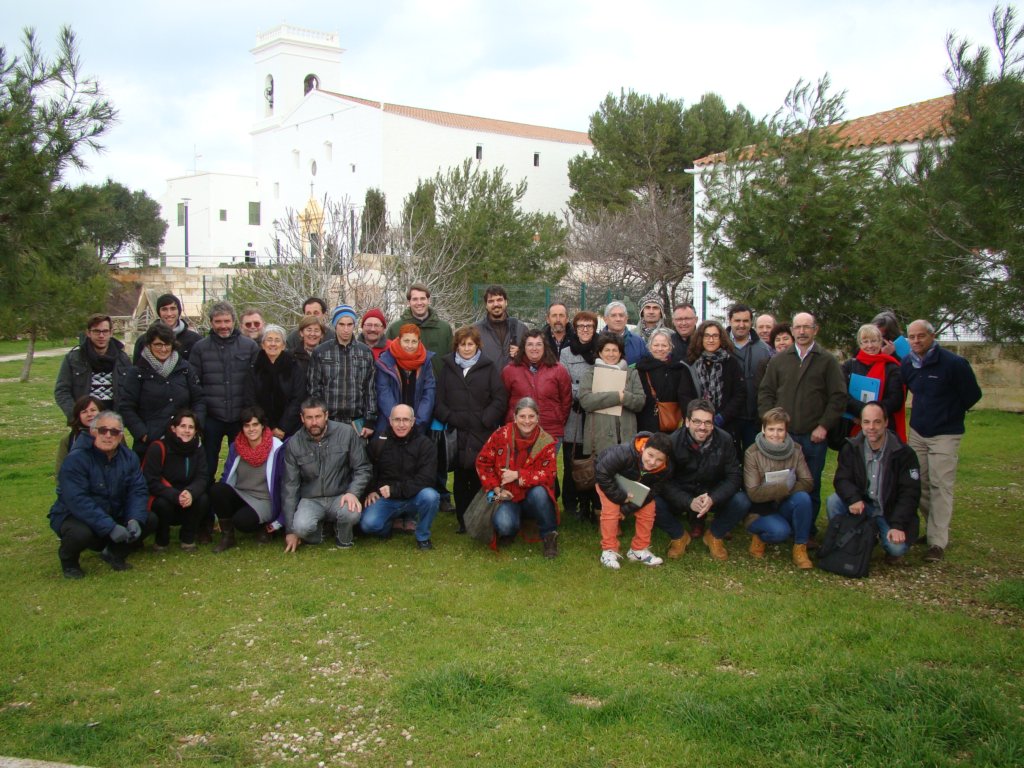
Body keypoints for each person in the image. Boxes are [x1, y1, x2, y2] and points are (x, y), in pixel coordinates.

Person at [902, 319, 982, 562]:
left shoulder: (954, 364)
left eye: (921, 336)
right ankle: (934, 527)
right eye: (912, 337)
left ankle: (937, 542)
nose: (916, 341)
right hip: (918, 430)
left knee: (940, 485)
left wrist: (948, 413)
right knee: (919, 483)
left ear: (931, 336)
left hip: (945, 432)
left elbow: (972, 395)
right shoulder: (909, 363)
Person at [758, 312, 845, 531]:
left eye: (807, 327)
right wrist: (771, 426)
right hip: (782, 437)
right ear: (792, 330)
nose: (802, 331)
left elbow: (838, 397)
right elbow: (766, 393)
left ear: (815, 330)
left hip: (812, 435)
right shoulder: (779, 360)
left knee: (810, 484)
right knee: (778, 483)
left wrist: (824, 425)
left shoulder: (826, 360)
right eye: (798, 327)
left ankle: (808, 530)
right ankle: (781, 524)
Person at [49, 411, 156, 578]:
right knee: (80, 534)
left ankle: (114, 553)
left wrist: (134, 518)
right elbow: (77, 500)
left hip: (113, 512)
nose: (108, 435)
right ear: (93, 432)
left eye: (114, 432)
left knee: (148, 519)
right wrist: (109, 526)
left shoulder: (129, 457)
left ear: (121, 436)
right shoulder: (76, 459)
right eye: (103, 430)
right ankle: (69, 562)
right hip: (75, 515)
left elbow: (138, 490)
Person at [654, 399, 750, 561]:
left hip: (712, 492)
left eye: (707, 422)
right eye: (697, 421)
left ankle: (714, 534)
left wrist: (713, 498)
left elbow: (734, 476)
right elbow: (664, 481)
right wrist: (688, 501)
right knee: (651, 501)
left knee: (742, 501)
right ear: (687, 422)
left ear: (713, 424)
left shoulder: (725, 440)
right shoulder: (672, 442)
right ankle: (679, 535)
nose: (702, 427)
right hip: (682, 493)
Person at [826, 402, 921, 565]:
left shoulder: (904, 454)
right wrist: (853, 498)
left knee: (896, 548)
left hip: (889, 511)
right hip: (863, 506)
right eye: (866, 422)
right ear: (860, 423)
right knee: (833, 501)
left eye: (877, 422)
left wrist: (897, 525)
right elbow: (842, 478)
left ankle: (882, 537)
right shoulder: (851, 447)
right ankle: (852, 539)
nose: (871, 427)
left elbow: (910, 493)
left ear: (886, 422)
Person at [434, 325, 508, 533]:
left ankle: (480, 519)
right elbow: (439, 402)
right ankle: (462, 521)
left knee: (480, 477)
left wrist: (486, 419)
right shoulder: (448, 368)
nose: (466, 348)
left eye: (470, 344)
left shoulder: (489, 367)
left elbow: (499, 398)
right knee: (460, 479)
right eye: (462, 344)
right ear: (456, 346)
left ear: (477, 345)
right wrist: (452, 418)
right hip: (457, 433)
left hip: (481, 432)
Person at [281, 398, 373, 551]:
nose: (314, 422)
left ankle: (344, 538)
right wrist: (290, 531)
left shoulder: (346, 433)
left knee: (351, 513)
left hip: (340, 495)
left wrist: (352, 493)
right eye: (309, 418)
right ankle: (319, 533)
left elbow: (363, 468)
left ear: (326, 415)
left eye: (318, 417)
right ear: (302, 418)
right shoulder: (294, 443)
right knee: (301, 527)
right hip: (310, 499)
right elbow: (290, 487)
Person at [476, 397, 560, 557]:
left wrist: (518, 475)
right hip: (505, 495)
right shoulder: (500, 435)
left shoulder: (546, 442)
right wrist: (496, 489)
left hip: (531, 497)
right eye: (522, 416)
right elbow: (483, 462)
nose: (527, 421)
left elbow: (549, 475)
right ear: (514, 417)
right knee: (505, 524)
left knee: (541, 493)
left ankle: (549, 535)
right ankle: (510, 529)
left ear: (538, 418)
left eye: (531, 416)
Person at [189, 301, 258, 483]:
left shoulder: (249, 346)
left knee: (240, 466)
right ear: (211, 322)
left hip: (239, 417)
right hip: (212, 418)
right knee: (208, 465)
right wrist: (200, 418)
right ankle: (206, 505)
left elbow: (255, 383)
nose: (223, 326)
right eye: (218, 321)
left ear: (234, 321)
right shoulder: (200, 348)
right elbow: (195, 385)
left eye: (226, 321)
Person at [742, 407, 815, 569]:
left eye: (780, 430)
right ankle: (759, 536)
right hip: (759, 510)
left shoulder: (796, 450)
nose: (775, 434)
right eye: (771, 429)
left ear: (786, 430)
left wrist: (783, 491)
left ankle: (800, 547)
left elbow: (808, 481)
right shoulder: (752, 453)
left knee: (803, 498)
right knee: (780, 532)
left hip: (785, 503)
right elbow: (754, 492)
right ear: (763, 429)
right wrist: (784, 487)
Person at [360, 405, 441, 550]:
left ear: (413, 421)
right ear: (390, 421)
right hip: (386, 499)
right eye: (397, 420)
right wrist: (371, 490)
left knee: (431, 496)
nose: (401, 424)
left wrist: (395, 490)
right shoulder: (379, 442)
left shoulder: (425, 445)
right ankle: (392, 524)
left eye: (405, 420)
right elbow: (367, 468)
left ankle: (422, 536)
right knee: (368, 525)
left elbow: (426, 479)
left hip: (413, 497)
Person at [121, 322, 206, 457]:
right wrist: (142, 434)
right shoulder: (136, 373)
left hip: (183, 440)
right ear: (149, 345)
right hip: (150, 443)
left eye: (167, 344)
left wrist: (195, 426)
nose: (163, 349)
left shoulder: (185, 368)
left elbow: (199, 399)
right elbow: (126, 406)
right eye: (158, 344)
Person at [209, 405, 286, 552]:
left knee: (242, 522)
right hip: (242, 494)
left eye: (255, 424)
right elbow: (226, 475)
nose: (251, 429)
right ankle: (228, 537)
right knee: (217, 489)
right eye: (247, 425)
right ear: (242, 428)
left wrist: (280, 520)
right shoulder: (235, 447)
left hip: (265, 499)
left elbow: (286, 483)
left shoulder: (277, 448)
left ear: (263, 425)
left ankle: (264, 528)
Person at [594, 431, 674, 569]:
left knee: (649, 508)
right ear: (643, 448)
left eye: (659, 460)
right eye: (650, 455)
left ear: (666, 459)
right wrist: (620, 497)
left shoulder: (666, 470)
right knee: (611, 510)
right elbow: (602, 472)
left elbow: (651, 493)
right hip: (608, 481)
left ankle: (638, 549)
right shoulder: (623, 452)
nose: (653, 462)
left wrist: (626, 509)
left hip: (634, 487)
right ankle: (608, 551)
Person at [143, 409, 209, 552]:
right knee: (162, 504)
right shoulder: (158, 447)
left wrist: (191, 492)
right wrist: (174, 495)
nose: (187, 431)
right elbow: (151, 480)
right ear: (173, 428)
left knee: (202, 499)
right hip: (166, 496)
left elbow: (202, 476)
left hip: (187, 497)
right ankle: (162, 540)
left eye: (191, 427)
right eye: (182, 426)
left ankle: (188, 538)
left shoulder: (198, 448)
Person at [306, 304, 376, 437]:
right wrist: (319, 418)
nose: (346, 329)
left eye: (350, 324)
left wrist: (370, 421)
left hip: (357, 421)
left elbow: (370, 389)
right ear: (335, 325)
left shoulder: (365, 352)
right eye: (341, 324)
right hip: (329, 420)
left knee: (357, 457)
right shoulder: (321, 352)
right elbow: (314, 389)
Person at [560, 310, 600, 523]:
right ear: (575, 329)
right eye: (581, 326)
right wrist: (587, 394)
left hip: (595, 416)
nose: (585, 330)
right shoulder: (566, 353)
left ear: (595, 329)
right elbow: (565, 384)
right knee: (571, 460)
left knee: (594, 461)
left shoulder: (602, 350)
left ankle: (593, 504)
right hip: (574, 415)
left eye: (589, 326)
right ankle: (571, 503)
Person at [579, 332, 646, 458]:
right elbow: (586, 401)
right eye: (607, 350)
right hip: (599, 439)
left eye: (615, 350)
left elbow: (640, 402)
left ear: (620, 353)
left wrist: (624, 397)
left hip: (626, 438)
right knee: (601, 476)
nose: (611, 354)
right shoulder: (590, 374)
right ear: (600, 353)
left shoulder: (632, 373)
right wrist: (617, 397)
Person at [55, 313, 132, 421]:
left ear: (111, 333)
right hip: (83, 424)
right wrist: (76, 416)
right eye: (96, 331)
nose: (101, 335)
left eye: (105, 331)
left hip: (113, 423)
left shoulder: (123, 359)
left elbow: (131, 392)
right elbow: (62, 391)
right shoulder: (74, 359)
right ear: (88, 333)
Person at [502, 330, 571, 443]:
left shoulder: (559, 370)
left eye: (539, 344)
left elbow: (566, 401)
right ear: (523, 347)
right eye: (530, 344)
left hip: (551, 431)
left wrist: (557, 419)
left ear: (545, 347)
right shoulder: (509, 371)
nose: (534, 348)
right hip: (518, 431)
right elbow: (503, 402)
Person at [842, 324, 906, 442]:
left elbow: (895, 399)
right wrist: (861, 413)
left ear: (880, 342)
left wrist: (871, 417)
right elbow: (842, 394)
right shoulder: (848, 366)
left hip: (882, 427)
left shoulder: (891, 367)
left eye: (874, 341)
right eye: (865, 341)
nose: (870, 345)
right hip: (853, 424)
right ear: (860, 344)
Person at [243, 324, 306, 439]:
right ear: (263, 344)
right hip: (262, 428)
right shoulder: (254, 368)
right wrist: (270, 427)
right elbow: (250, 400)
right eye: (269, 340)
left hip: (291, 428)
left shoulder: (295, 366)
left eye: (277, 340)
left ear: (283, 345)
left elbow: (298, 398)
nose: (273, 344)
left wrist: (283, 427)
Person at [688, 320, 745, 444]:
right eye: (707, 336)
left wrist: (722, 417)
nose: (711, 340)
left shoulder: (731, 363)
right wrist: (697, 418)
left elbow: (739, 394)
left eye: (715, 336)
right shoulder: (691, 363)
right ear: (700, 339)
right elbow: (685, 394)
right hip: (697, 426)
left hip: (726, 424)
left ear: (721, 339)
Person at [374, 323, 436, 435]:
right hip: (390, 424)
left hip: (417, 425)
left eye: (414, 342)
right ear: (399, 340)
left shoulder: (425, 361)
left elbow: (429, 391)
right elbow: (383, 392)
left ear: (419, 342)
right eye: (406, 341)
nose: (410, 345)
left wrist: (416, 422)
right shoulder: (386, 361)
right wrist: (398, 421)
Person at [728, 304, 772, 450]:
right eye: (737, 320)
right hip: (728, 417)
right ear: (730, 321)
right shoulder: (720, 345)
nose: (741, 325)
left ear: (751, 323)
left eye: (745, 321)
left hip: (753, 417)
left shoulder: (764, 350)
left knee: (752, 461)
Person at [636, 328, 685, 434]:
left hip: (671, 421)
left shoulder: (678, 368)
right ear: (650, 347)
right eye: (656, 345)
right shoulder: (641, 369)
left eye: (664, 345)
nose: (660, 349)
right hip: (646, 421)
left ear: (670, 347)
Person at [386, 284, 454, 358]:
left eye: (422, 298)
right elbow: (386, 360)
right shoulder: (395, 328)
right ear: (409, 302)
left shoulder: (444, 328)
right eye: (415, 299)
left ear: (428, 300)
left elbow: (453, 358)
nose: (419, 303)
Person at [132, 293, 201, 362]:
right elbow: (137, 369)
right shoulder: (144, 340)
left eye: (173, 309)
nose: (169, 314)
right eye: (164, 309)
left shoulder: (195, 340)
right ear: (159, 312)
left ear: (179, 311)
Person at [474, 284, 527, 369]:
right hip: (486, 381)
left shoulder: (521, 328)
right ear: (486, 305)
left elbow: (533, 358)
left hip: (513, 381)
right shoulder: (475, 330)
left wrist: (522, 354)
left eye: (499, 300)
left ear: (506, 302)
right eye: (491, 301)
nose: (496, 304)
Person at [55, 395, 103, 476]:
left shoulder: (114, 435)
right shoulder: (68, 440)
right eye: (84, 411)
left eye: (93, 410)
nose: (89, 414)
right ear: (78, 416)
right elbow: (61, 471)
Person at [602, 301, 647, 365]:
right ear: (605, 319)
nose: (618, 319)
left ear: (626, 318)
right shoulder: (596, 341)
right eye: (613, 315)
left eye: (621, 315)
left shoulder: (638, 342)